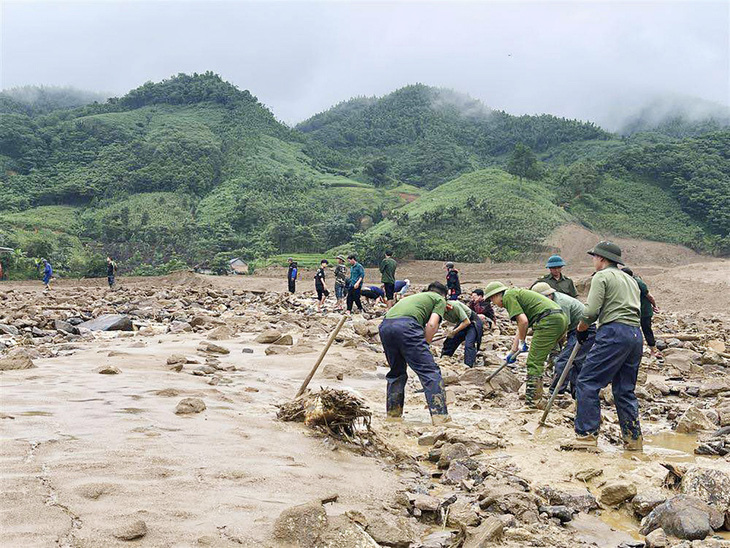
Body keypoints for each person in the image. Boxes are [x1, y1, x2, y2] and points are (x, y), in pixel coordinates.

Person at [570, 241, 643, 452]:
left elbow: (590, 311)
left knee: (587, 382)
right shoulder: (631, 280)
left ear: (601, 258)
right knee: (625, 390)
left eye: (594, 257)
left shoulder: (602, 276)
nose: (593, 260)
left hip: (614, 332)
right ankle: (633, 441)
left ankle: (586, 436)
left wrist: (581, 329)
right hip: (635, 334)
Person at [484, 282, 567, 409]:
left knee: (534, 361)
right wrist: (513, 350)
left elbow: (523, 322)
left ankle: (533, 402)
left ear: (497, 295)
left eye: (492, 299)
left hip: (548, 320)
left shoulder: (508, 296)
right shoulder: (516, 293)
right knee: (547, 356)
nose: (493, 303)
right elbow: (520, 325)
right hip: (559, 318)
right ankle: (544, 394)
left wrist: (523, 342)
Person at [379, 282, 451, 425]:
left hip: (385, 326)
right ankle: (440, 418)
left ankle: (393, 416)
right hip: (407, 327)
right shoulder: (439, 299)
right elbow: (432, 324)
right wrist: (425, 343)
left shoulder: (416, 297)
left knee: (396, 372)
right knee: (430, 372)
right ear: (444, 295)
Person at [531, 282, 596, 397]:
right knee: (576, 361)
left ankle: (556, 391)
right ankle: (576, 393)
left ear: (548, 295)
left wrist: (556, 346)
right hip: (576, 329)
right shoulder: (552, 301)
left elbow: (562, 329)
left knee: (565, 360)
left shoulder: (561, 304)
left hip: (585, 330)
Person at [622, 267, 662, 359]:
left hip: (644, 311)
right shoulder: (628, 283)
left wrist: (654, 306)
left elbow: (650, 296)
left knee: (646, 330)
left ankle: (653, 351)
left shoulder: (638, 283)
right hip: (635, 310)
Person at [441, 299, 483, 367]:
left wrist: (454, 332)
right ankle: (444, 359)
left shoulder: (454, 306)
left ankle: (468, 366)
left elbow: (467, 322)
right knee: (450, 341)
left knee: (469, 345)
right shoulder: (438, 311)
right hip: (461, 323)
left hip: (472, 322)